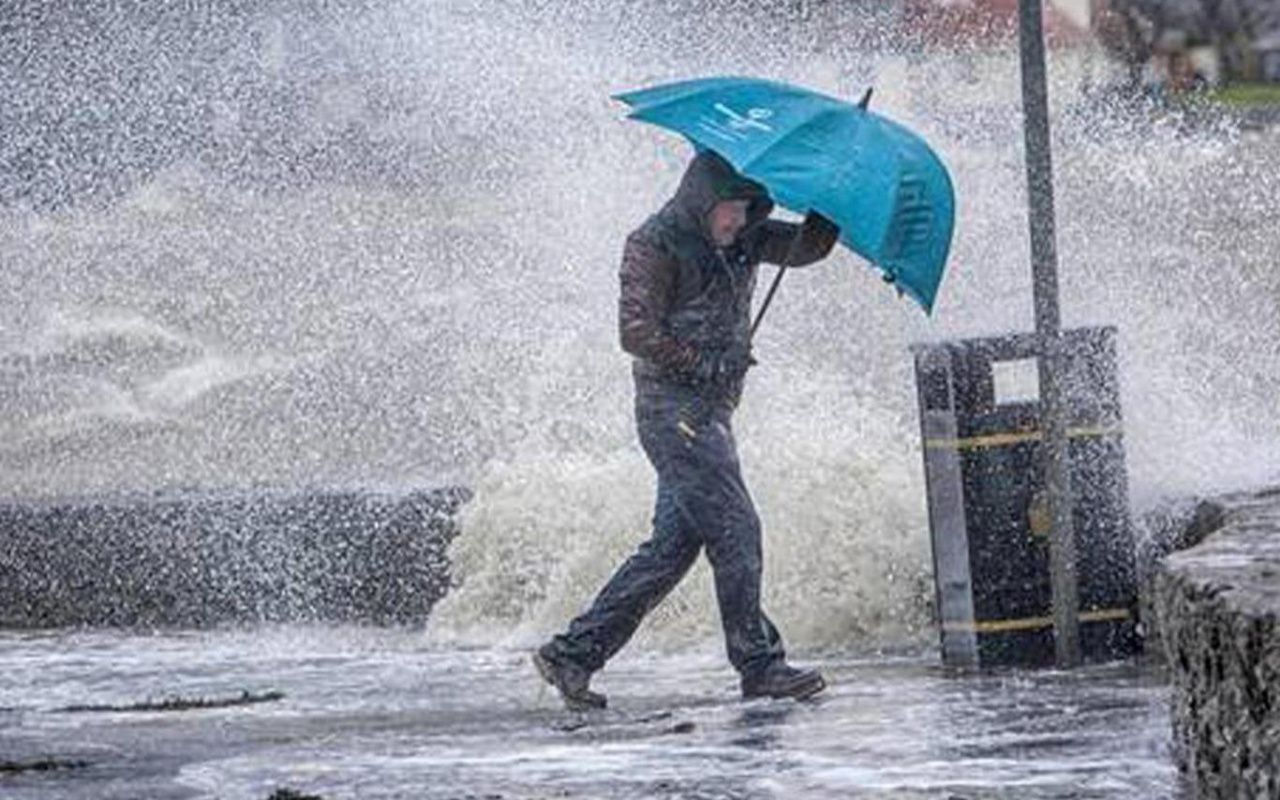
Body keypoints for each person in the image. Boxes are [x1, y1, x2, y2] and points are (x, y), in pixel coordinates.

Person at [534, 150, 840, 710]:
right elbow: (634, 332)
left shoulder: (745, 236)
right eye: (730, 210)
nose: (738, 222)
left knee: (671, 549)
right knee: (737, 528)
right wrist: (703, 363)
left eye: (748, 210)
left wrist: (830, 202)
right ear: (703, 201)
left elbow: (807, 248)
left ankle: (572, 655)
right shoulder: (653, 243)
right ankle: (760, 665)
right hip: (672, 412)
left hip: (711, 413)